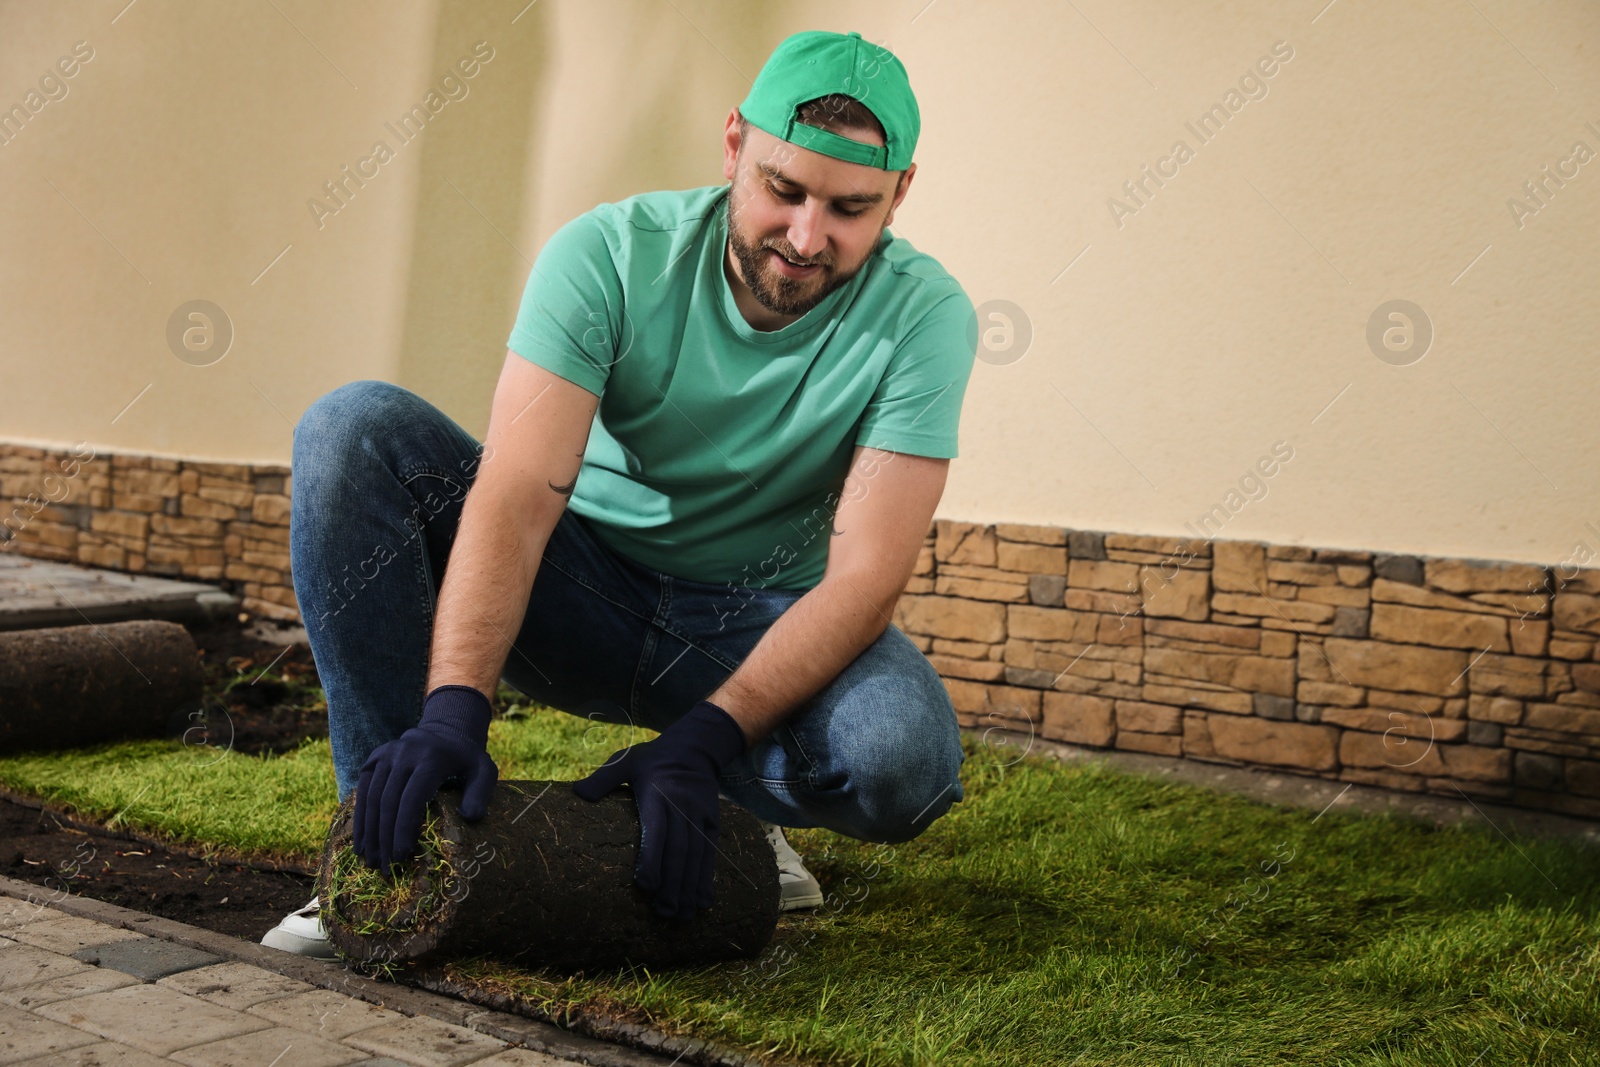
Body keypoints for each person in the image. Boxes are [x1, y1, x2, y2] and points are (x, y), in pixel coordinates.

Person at [262, 28, 978, 960]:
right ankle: (385, 842)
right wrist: (453, 711)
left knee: (904, 763)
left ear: (900, 195)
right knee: (351, 429)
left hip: (751, 623)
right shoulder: (607, 255)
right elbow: (518, 494)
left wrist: (710, 738)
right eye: (782, 188)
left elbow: (867, 576)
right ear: (734, 148)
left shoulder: (925, 317)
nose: (806, 238)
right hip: (581, 591)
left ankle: (736, 809)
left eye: (850, 208)